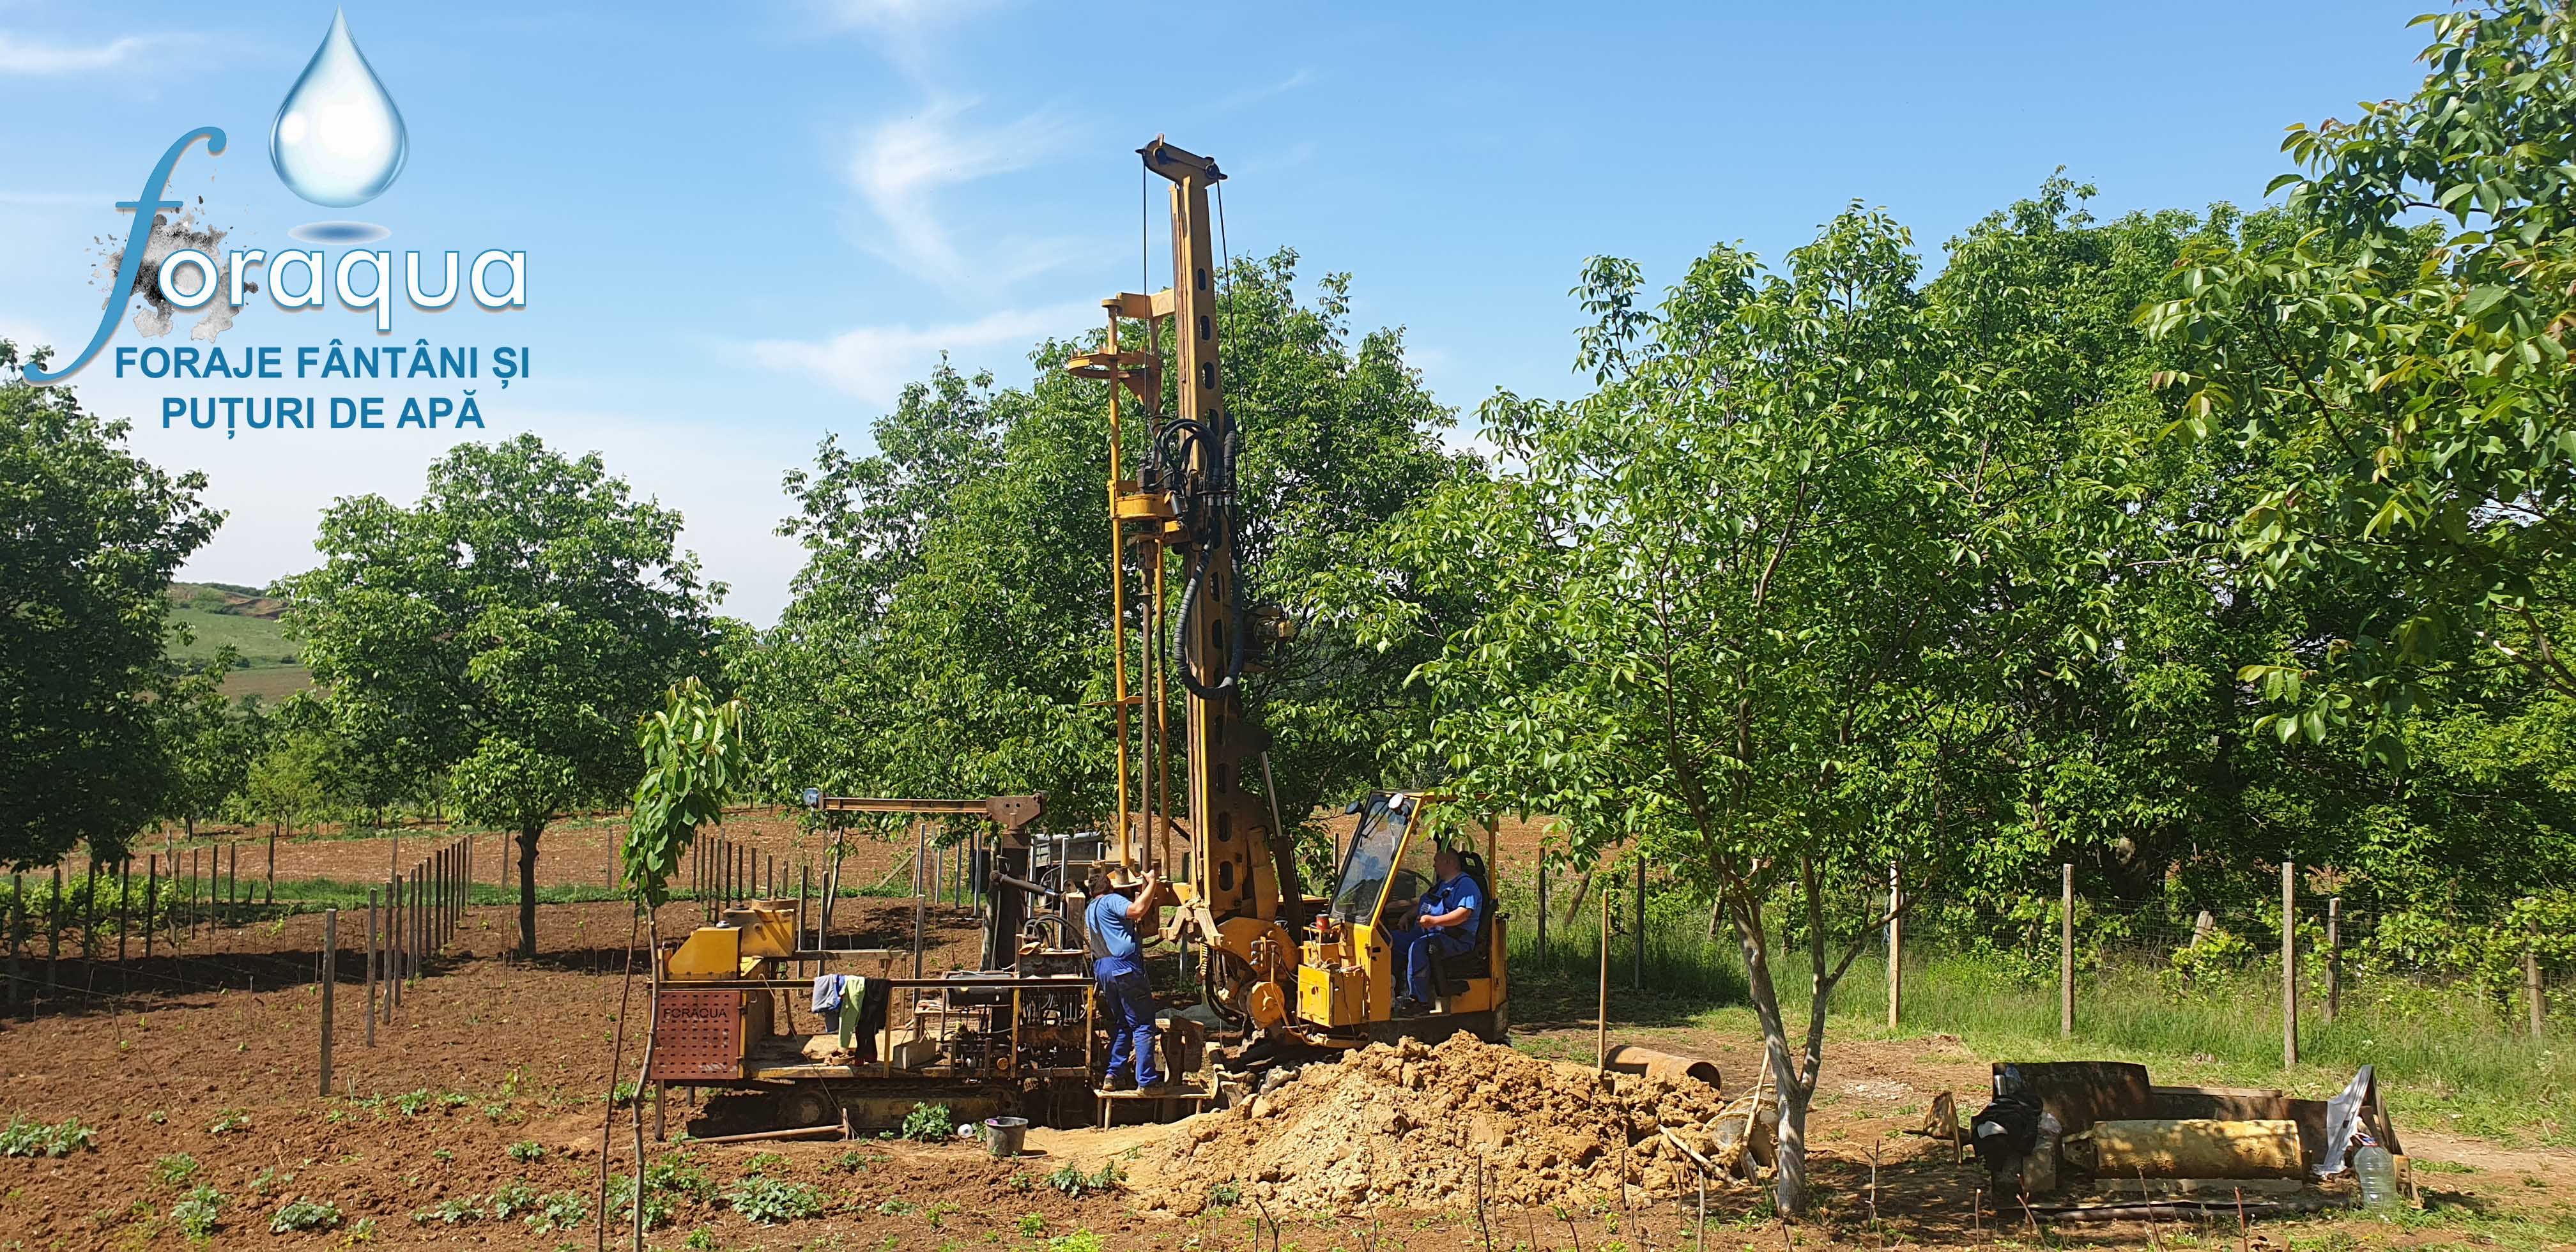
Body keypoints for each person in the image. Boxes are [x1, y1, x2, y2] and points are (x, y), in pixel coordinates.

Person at [1084, 864, 1168, 1091]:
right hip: (1125, 968)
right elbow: (1138, 909)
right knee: (1142, 1024)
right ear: (1110, 887)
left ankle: (1112, 1075)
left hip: (1102, 969)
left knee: (1123, 1024)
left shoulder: (1090, 908)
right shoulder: (1112, 900)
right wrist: (1152, 883)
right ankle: (1147, 1082)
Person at [1393, 845, 1483, 1014]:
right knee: (1392, 941)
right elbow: (1428, 903)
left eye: (1436, 861)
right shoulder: (1442, 884)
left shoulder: (1466, 885)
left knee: (1420, 948)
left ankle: (1420, 1000)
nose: (1433, 865)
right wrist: (1409, 915)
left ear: (1448, 862)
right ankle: (1391, 989)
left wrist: (1434, 921)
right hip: (1431, 931)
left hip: (1454, 939)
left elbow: (1463, 914)